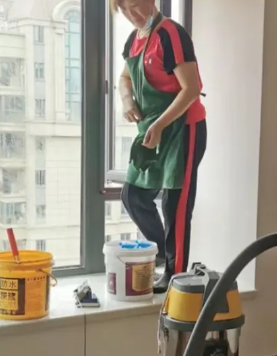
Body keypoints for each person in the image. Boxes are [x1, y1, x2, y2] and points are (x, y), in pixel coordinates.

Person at [111, 0, 207, 293]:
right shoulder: (134, 40)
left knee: (175, 205)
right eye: (124, 9)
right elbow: (124, 77)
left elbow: (191, 89)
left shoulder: (171, 34)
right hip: (153, 128)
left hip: (183, 130)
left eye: (136, 5)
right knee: (133, 196)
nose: (132, 15)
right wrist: (127, 100)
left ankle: (175, 275)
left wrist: (160, 125)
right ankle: (163, 254)